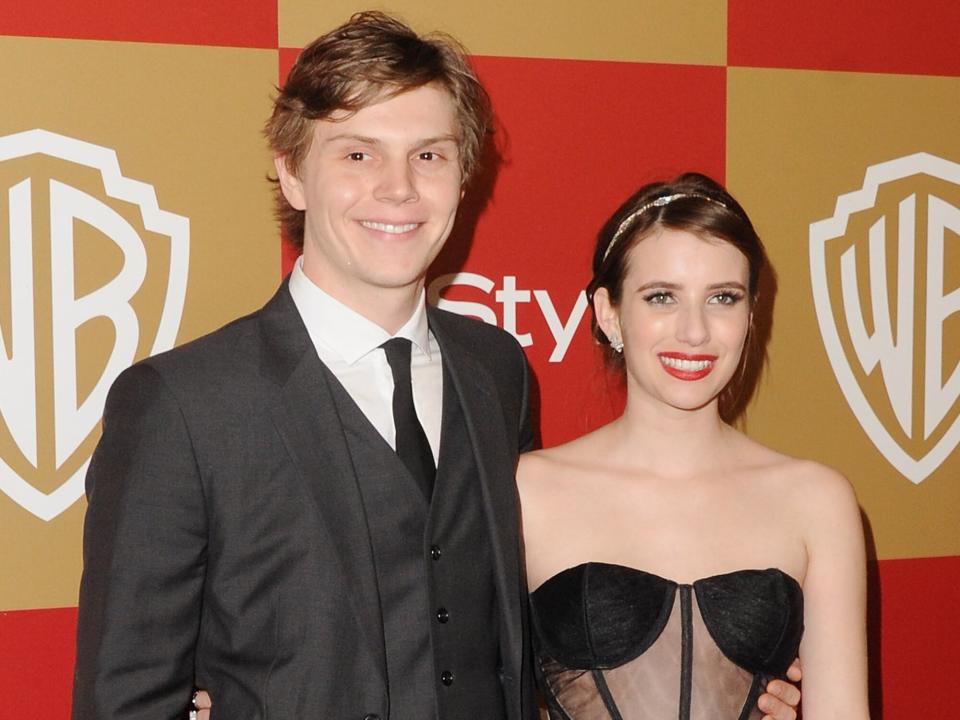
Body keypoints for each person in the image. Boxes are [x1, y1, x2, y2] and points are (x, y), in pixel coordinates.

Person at [72, 11, 803, 720]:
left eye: (430, 154)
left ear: (462, 178)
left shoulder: (497, 373)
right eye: (358, 153)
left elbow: (549, 631)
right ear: (292, 173)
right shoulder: (182, 406)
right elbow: (125, 697)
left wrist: (721, 675)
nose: (399, 188)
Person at [518, 173, 869, 719]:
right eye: (662, 297)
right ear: (609, 313)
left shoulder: (817, 500)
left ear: (751, 316)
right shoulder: (523, 490)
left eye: (722, 299)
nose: (696, 332)